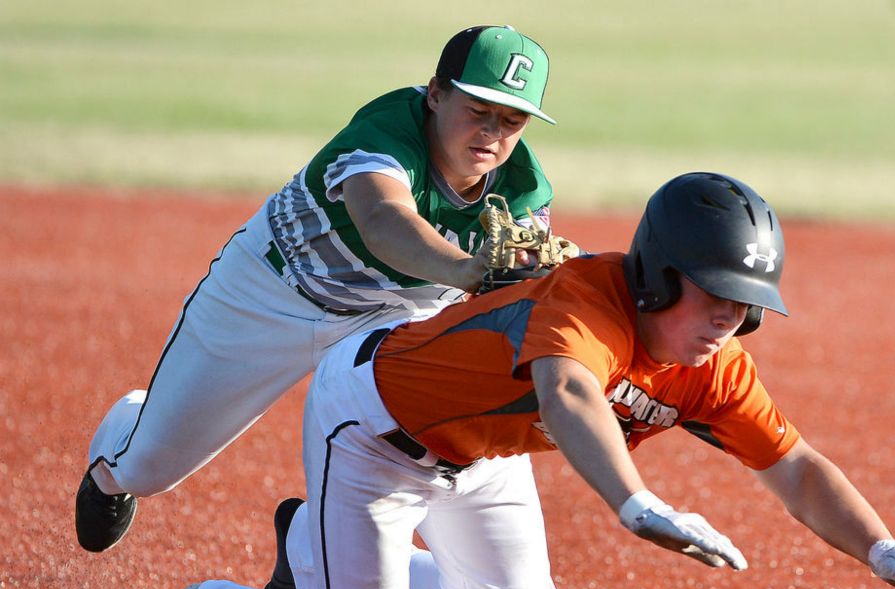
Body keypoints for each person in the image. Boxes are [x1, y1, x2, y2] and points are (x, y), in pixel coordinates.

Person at [175, 172, 895, 589]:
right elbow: (568, 397)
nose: (731, 318)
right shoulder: (588, 302)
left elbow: (794, 466)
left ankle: (310, 553)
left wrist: (880, 546)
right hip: (376, 430)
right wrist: (635, 501)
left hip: (485, 456)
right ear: (659, 278)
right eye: (714, 294)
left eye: (745, 303)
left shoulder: (712, 362)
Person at [75, 25, 563, 553]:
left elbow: (524, 283)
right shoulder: (386, 131)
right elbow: (383, 221)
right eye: (478, 109)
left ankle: (308, 546)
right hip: (270, 293)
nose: (492, 132)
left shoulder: (524, 189)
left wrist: (540, 278)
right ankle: (119, 454)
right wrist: (473, 272)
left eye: (512, 120)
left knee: (425, 446)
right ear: (436, 93)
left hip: (394, 317)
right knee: (150, 467)